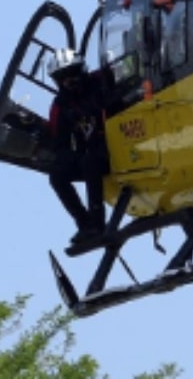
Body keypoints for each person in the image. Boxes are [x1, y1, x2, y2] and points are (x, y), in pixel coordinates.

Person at [46, 48, 108, 245]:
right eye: (63, 78)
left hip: (120, 146)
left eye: (73, 74)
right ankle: (85, 223)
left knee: (91, 161)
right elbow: (59, 141)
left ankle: (98, 223)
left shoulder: (102, 81)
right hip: (93, 155)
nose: (69, 81)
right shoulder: (60, 105)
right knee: (57, 175)